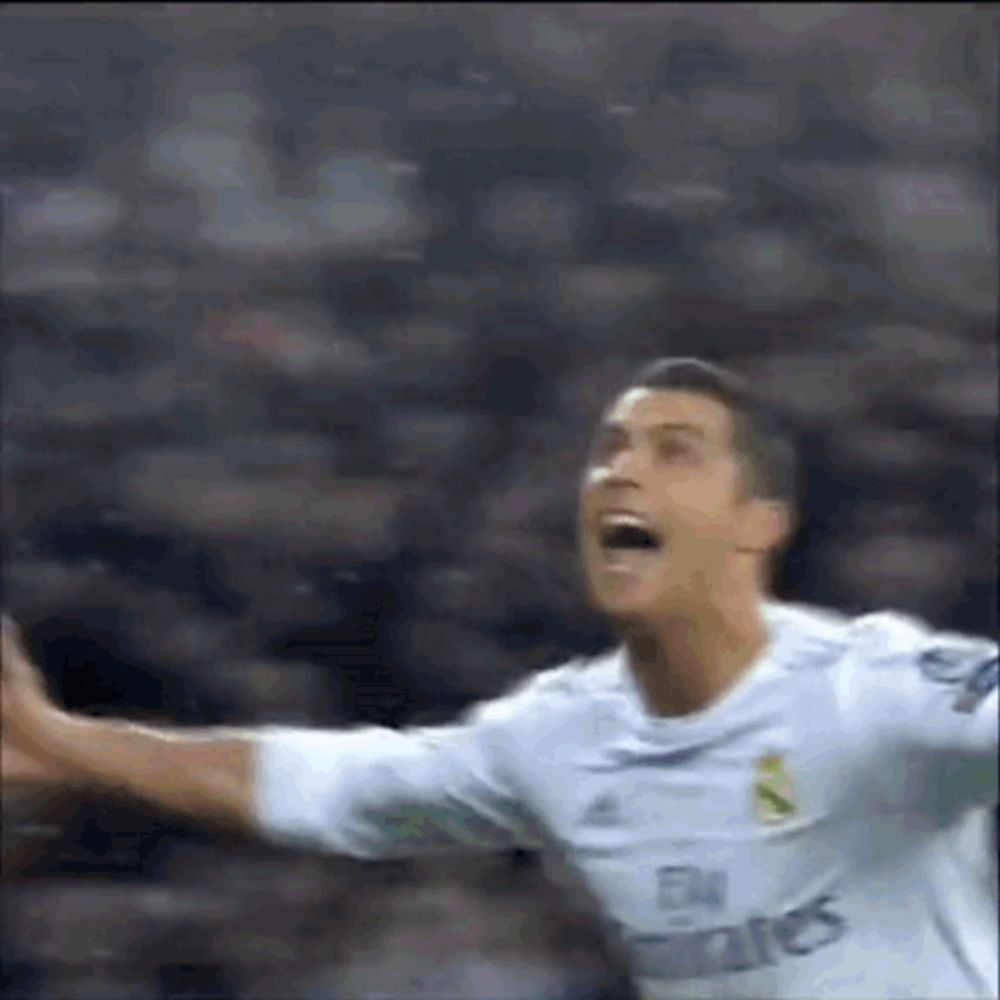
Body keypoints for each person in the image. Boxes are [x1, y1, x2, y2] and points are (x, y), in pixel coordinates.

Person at [3, 357, 997, 1000]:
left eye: (673, 451)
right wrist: (59, 739)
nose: (618, 472)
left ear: (759, 521)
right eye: (607, 451)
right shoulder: (555, 735)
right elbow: (333, 787)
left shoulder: (874, 689)